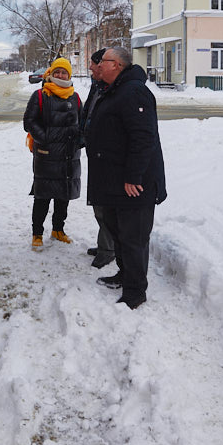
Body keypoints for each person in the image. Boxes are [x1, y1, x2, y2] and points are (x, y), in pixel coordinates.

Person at [84, 46, 166, 309]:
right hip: (114, 183)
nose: (96, 66)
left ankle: (135, 292)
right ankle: (124, 274)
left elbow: (144, 138)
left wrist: (133, 176)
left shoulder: (134, 92)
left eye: (102, 62)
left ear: (116, 65)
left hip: (134, 185)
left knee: (133, 239)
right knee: (119, 234)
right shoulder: (114, 89)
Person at [23, 57, 83, 249]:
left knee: (63, 196)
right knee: (42, 196)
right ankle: (37, 233)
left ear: (69, 75)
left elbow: (82, 123)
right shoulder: (41, 95)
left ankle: (58, 229)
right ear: (50, 73)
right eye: (56, 72)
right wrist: (46, 138)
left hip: (68, 156)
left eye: (64, 72)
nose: (60, 75)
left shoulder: (75, 97)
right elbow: (29, 122)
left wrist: (79, 141)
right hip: (46, 154)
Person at [80, 48, 115, 269]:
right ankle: (105, 244)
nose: (91, 67)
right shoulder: (98, 87)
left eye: (94, 64)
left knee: (105, 205)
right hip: (96, 153)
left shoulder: (111, 91)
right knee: (98, 203)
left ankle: (108, 249)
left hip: (107, 157)